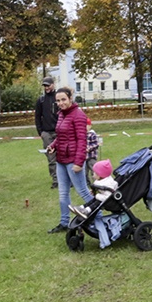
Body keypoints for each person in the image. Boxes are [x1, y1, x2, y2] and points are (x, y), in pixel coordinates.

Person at [46, 86, 96, 233]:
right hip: (61, 159)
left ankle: (98, 216)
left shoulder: (78, 115)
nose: (61, 103)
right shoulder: (61, 114)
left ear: (70, 98)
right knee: (63, 193)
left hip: (73, 161)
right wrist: (53, 145)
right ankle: (64, 223)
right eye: (58, 101)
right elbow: (61, 136)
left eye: (63, 100)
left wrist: (79, 163)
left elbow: (82, 140)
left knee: (84, 192)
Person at [35, 76, 59, 188]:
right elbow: (37, 117)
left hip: (59, 132)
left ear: (53, 84)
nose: (46, 88)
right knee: (51, 158)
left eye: (48, 85)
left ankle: (67, 179)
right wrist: (41, 132)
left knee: (64, 156)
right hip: (47, 133)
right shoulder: (41, 100)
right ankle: (56, 180)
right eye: (44, 86)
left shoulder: (59, 98)